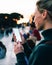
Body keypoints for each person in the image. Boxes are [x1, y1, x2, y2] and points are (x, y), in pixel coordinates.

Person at [14, 0, 52, 65]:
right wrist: (24, 45)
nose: (33, 20)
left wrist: (19, 55)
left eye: (35, 15)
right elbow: (36, 60)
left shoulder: (44, 49)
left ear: (44, 14)